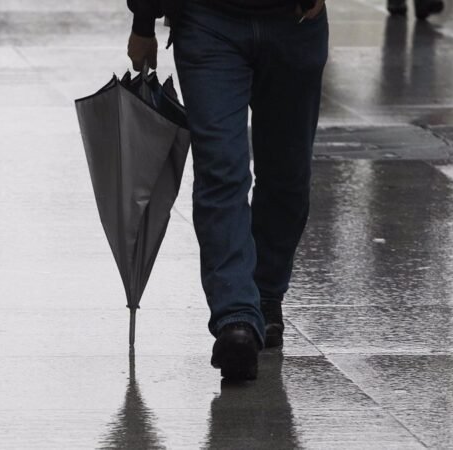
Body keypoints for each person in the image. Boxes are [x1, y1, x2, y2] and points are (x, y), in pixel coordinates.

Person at [126, 0, 328, 380]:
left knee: (288, 175)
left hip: (294, 20)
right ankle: (235, 316)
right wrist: (143, 20)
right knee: (221, 170)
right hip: (208, 20)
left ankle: (266, 294)